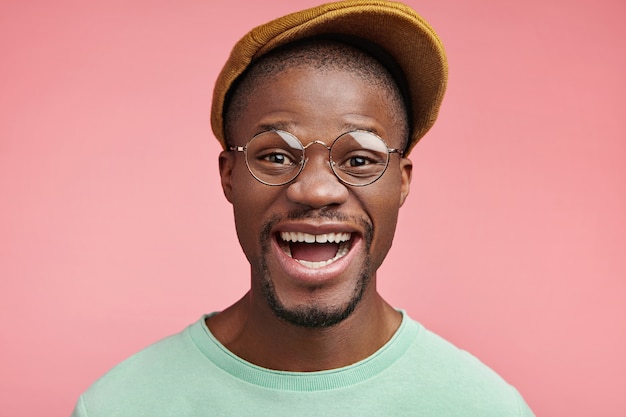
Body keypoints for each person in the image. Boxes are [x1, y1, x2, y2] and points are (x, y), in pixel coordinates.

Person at [72, 1, 535, 415]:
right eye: (275, 156)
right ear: (229, 175)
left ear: (402, 182)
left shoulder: (484, 406)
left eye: (359, 160)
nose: (315, 191)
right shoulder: (120, 405)